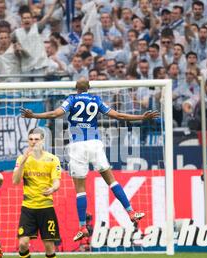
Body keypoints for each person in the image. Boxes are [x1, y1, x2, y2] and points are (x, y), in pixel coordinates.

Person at [21, 79, 159, 242]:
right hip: (95, 144)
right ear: (89, 88)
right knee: (111, 181)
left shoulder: (71, 99)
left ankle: (82, 227)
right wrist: (141, 117)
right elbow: (119, 115)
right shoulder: (96, 100)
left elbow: (54, 114)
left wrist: (33, 115)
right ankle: (130, 212)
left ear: (76, 89)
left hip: (77, 146)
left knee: (80, 189)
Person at [12, 128, 62, 258]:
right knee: (23, 244)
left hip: (46, 208)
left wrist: (53, 189)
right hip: (28, 208)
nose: (33, 142)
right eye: (31, 139)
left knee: (49, 246)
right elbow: (15, 181)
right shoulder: (22, 158)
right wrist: (24, 161)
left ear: (42, 141)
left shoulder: (52, 159)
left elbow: (56, 182)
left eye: (36, 139)